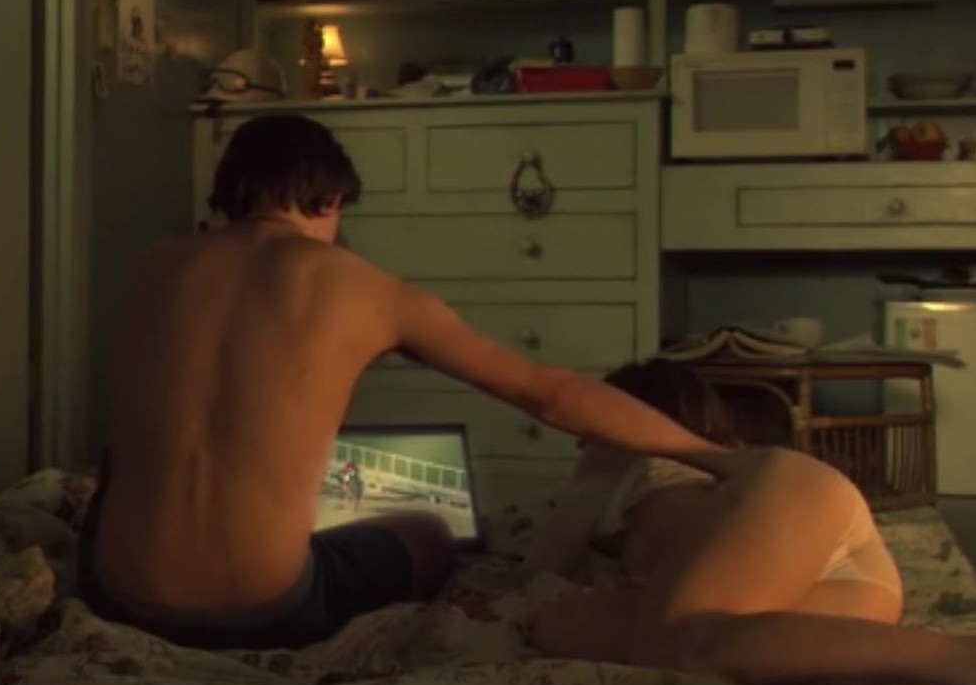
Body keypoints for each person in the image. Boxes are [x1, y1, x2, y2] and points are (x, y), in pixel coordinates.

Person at [77, 114, 737, 652]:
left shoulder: (149, 267)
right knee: (427, 526)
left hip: (115, 591)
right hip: (267, 610)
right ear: (331, 199)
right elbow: (551, 393)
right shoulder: (367, 289)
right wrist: (716, 457)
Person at [529, 358, 976, 685]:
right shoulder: (715, 464)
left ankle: (960, 656)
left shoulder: (621, 455)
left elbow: (547, 559)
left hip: (795, 517)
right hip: (853, 579)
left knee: (571, 625)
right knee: (707, 649)